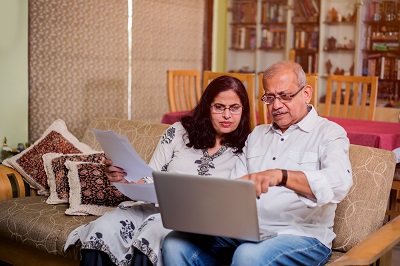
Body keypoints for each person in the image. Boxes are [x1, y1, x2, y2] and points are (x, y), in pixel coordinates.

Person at [162, 61, 353, 266]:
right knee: (175, 242)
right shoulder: (257, 135)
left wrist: (282, 176)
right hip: (247, 231)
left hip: (301, 235)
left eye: (285, 96)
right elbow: (235, 186)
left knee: (248, 255)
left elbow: (339, 182)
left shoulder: (329, 133)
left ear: (306, 93)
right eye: (270, 98)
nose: (276, 105)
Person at [64, 75, 252, 266]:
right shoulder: (178, 132)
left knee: (152, 234)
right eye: (219, 107)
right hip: (152, 207)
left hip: (193, 221)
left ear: (243, 110)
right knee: (105, 227)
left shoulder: (249, 147)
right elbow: (149, 176)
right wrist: (123, 180)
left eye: (234, 108)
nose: (227, 115)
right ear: (207, 108)